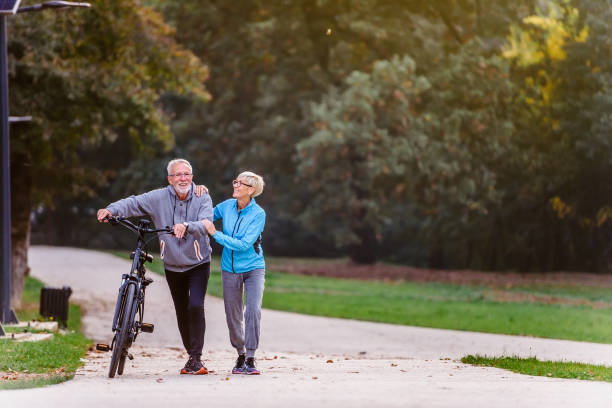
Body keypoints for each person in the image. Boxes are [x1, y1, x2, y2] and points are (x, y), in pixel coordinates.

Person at [97, 158, 213, 375]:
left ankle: (196, 358)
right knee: (181, 309)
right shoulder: (159, 197)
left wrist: (187, 226)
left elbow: (207, 223)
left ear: (192, 176)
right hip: (172, 264)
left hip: (198, 263)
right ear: (170, 179)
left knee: (195, 305)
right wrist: (110, 210)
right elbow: (133, 203)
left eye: (186, 174)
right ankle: (192, 356)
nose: (183, 178)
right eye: (178, 174)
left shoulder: (201, 195)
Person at [200, 171, 266, 375]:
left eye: (240, 183)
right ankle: (241, 354)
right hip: (230, 270)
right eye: (235, 181)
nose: (235, 185)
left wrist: (215, 234)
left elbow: (244, 244)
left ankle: (251, 357)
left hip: (254, 268)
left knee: (253, 310)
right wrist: (200, 195)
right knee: (232, 314)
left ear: (251, 190)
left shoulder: (258, 214)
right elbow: (204, 215)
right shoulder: (227, 206)